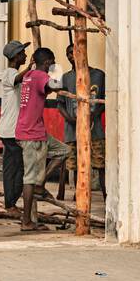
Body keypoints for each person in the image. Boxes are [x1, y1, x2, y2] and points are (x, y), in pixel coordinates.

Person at [15, 46, 70, 232]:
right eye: (51, 62)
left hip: (33, 130)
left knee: (64, 151)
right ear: (47, 62)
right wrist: (58, 70)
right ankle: (26, 221)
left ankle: (41, 183)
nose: (52, 65)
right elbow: (56, 86)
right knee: (29, 178)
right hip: (32, 134)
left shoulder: (29, 75)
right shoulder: (39, 75)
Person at [58, 43, 107, 199]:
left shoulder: (99, 75)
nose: (71, 56)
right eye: (68, 54)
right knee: (73, 163)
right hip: (72, 130)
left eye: (73, 52)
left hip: (95, 129)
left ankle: (106, 194)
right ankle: (75, 193)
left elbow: (104, 100)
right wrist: (70, 119)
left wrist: (94, 115)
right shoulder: (65, 78)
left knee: (100, 163)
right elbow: (59, 104)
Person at [0, 39, 28, 213]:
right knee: (16, 168)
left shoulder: (14, 72)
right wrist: (31, 67)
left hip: (12, 129)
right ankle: (10, 204)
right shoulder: (10, 73)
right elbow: (17, 78)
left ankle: (11, 202)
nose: (25, 55)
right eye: (23, 53)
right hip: (10, 130)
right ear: (16, 56)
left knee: (15, 167)